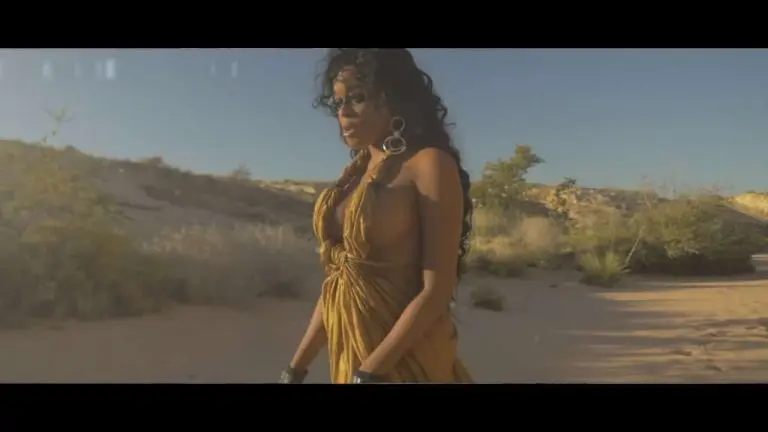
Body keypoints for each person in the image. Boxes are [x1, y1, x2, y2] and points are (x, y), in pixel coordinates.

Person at [279, 48, 474, 384]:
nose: (344, 112)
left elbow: (436, 291)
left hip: (405, 361)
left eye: (358, 97)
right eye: (338, 102)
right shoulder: (354, 176)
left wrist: (371, 371)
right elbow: (340, 284)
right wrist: (294, 369)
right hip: (353, 357)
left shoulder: (429, 164)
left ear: (394, 97)